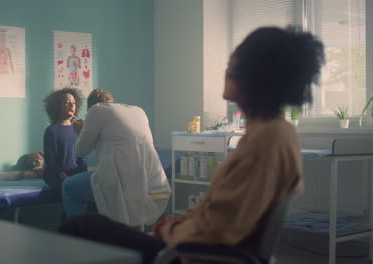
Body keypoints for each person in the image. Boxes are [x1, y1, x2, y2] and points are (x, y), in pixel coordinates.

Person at [60, 26, 325, 264]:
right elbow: (219, 211)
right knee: (92, 227)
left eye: (233, 65)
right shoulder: (275, 134)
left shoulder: (266, 142)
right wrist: (177, 224)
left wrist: (167, 231)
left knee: (82, 228)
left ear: (256, 76)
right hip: (196, 247)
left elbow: (218, 229)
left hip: (191, 256)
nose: (226, 71)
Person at [61, 89, 171, 226]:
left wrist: (81, 132)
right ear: (111, 102)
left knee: (69, 186)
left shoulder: (96, 110)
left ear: (90, 107)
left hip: (121, 183)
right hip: (153, 183)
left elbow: (81, 151)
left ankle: (80, 235)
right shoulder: (138, 111)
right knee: (94, 183)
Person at [42, 88, 87, 198]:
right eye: (67, 102)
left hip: (74, 176)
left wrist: (81, 176)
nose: (72, 105)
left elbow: (82, 156)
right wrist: (64, 177)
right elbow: (51, 162)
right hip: (57, 177)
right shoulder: (51, 131)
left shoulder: (77, 129)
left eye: (74, 103)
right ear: (57, 106)